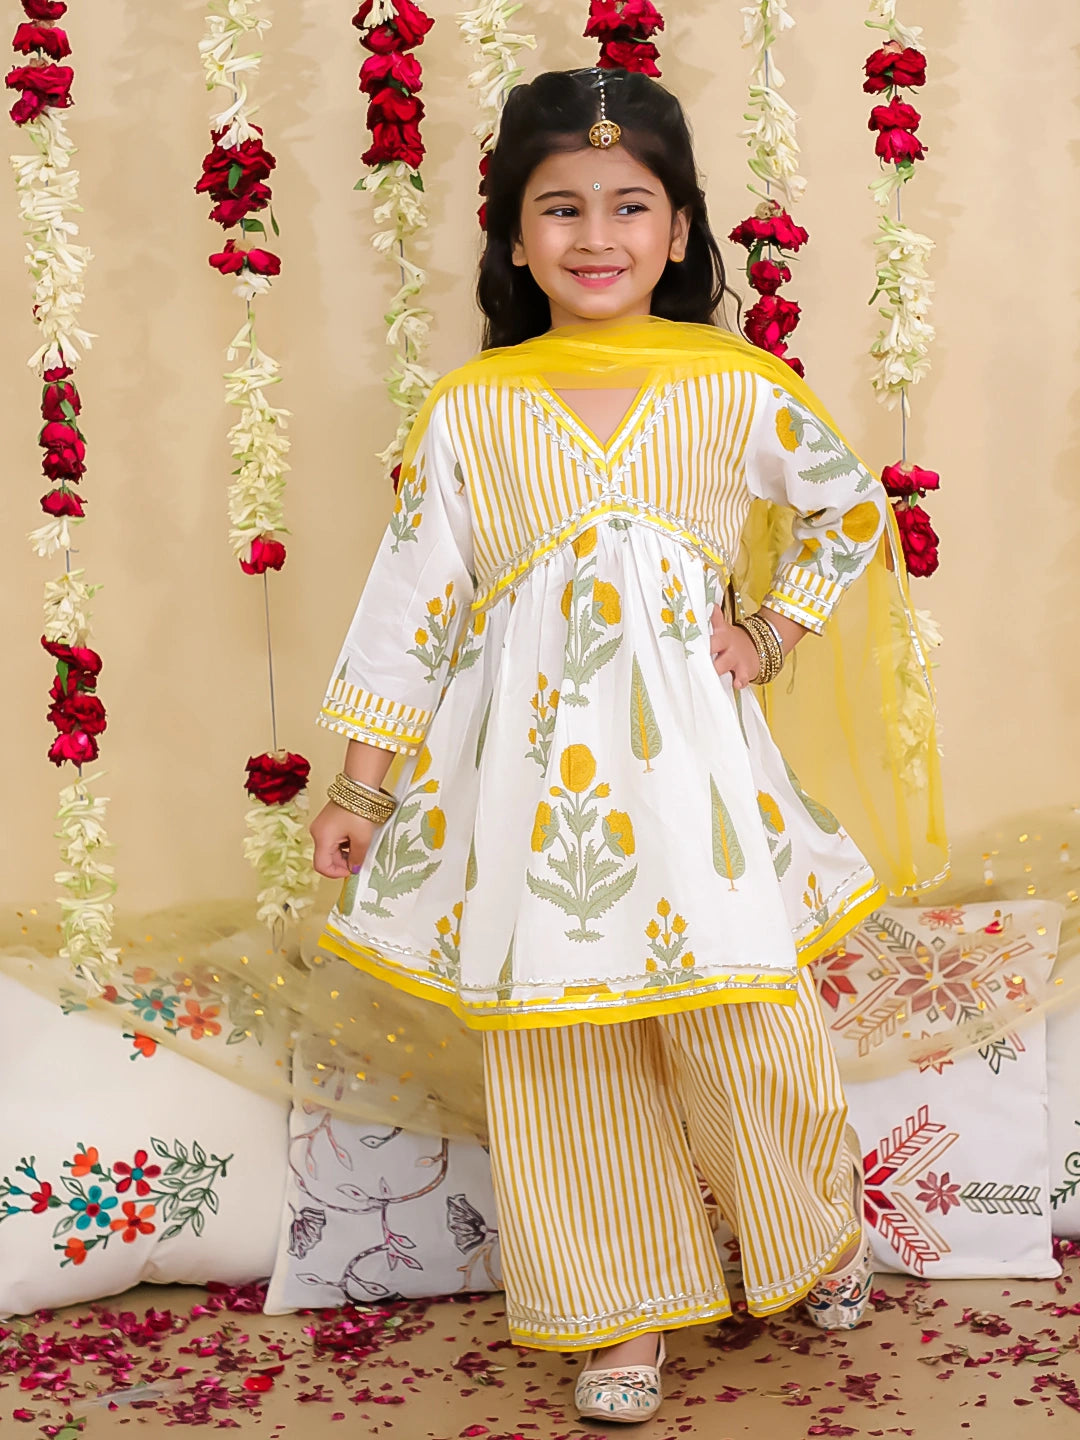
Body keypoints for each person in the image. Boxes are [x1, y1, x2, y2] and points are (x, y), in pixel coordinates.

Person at [309, 67, 944, 1426]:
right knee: (565, 1046)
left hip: (695, 776)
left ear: (679, 228)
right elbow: (410, 603)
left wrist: (769, 630)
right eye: (560, 209)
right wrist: (360, 786)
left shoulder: (733, 387)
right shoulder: (472, 409)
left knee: (748, 1024)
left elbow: (848, 511)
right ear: (513, 235)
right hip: (534, 794)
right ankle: (621, 1314)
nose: (595, 237)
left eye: (629, 206)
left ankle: (808, 1235)